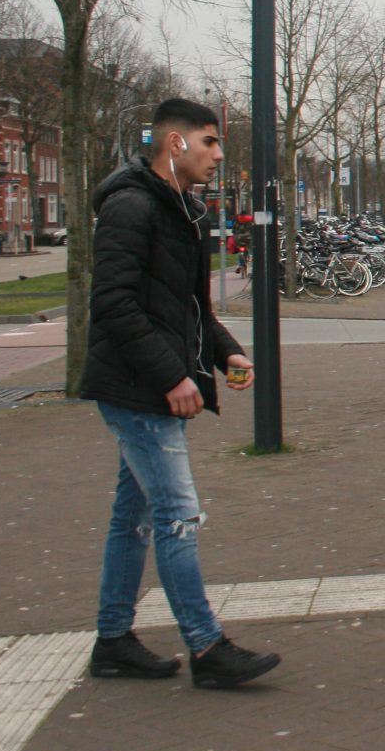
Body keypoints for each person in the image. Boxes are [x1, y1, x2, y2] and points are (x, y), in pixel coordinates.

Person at [81, 98, 278, 689]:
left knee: (132, 517)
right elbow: (113, 303)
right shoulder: (133, 207)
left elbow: (189, 307)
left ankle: (113, 640)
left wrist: (226, 351)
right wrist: (172, 376)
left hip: (150, 384)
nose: (219, 155)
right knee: (177, 517)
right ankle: (207, 648)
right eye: (210, 142)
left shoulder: (182, 210)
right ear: (175, 144)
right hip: (139, 390)